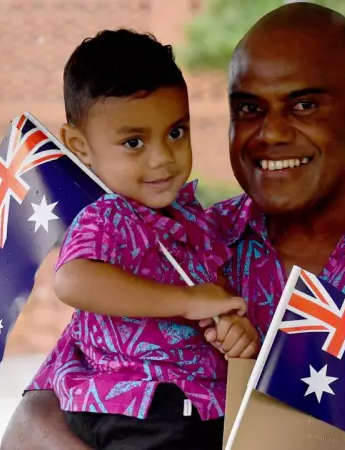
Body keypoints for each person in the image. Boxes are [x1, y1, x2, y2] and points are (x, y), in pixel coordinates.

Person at [1, 4, 345, 450]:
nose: (271, 133)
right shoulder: (181, 241)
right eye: (248, 109)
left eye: (304, 105)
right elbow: (33, 421)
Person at [23, 29, 259, 450]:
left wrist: (232, 325)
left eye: (176, 133)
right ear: (80, 146)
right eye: (134, 142)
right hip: (136, 406)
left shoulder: (192, 217)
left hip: (197, 406)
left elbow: (213, 293)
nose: (162, 158)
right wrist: (186, 301)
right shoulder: (108, 217)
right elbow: (73, 281)